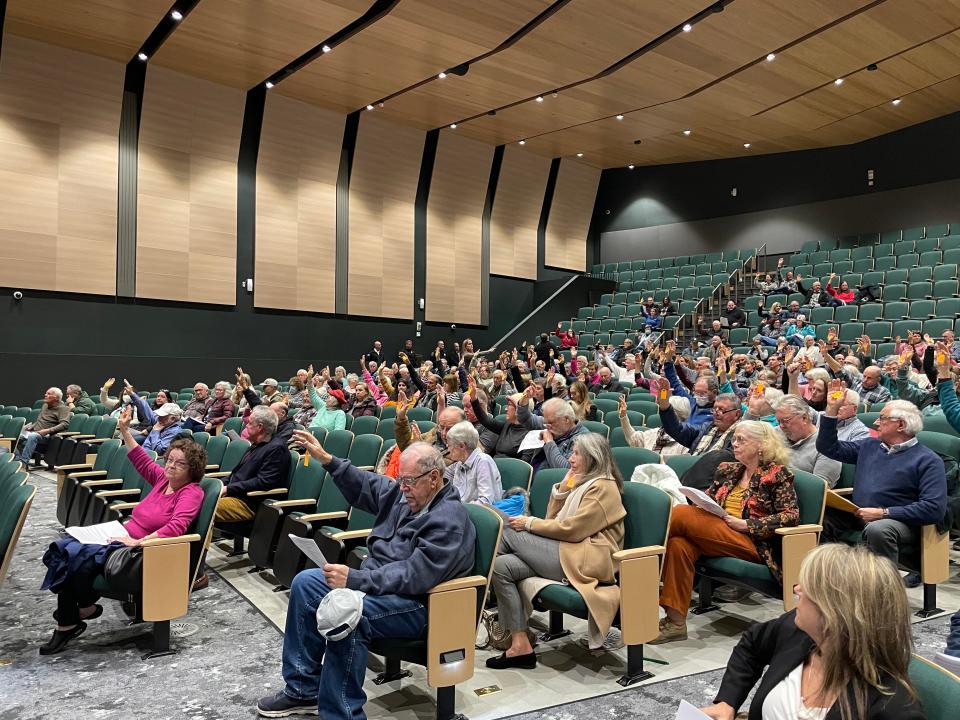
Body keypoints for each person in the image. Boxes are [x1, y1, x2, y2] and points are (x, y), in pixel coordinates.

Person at [256, 435, 475, 719]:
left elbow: (414, 576)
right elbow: (365, 485)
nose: (402, 488)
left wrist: (356, 581)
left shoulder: (449, 520)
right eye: (400, 480)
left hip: (421, 605)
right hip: (381, 590)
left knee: (348, 613)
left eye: (409, 481)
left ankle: (342, 714)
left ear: (434, 478)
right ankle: (302, 689)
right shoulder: (404, 495)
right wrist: (328, 460)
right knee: (306, 584)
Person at [39, 406, 205, 655]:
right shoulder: (163, 480)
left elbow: (176, 527)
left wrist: (138, 542)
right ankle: (78, 612)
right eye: (169, 459)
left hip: (142, 552)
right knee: (63, 548)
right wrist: (125, 429)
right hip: (121, 536)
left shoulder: (191, 492)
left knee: (75, 556)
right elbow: (141, 459)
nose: (170, 466)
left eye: (179, 463)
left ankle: (71, 619)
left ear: (193, 469)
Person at [699, 543, 923, 720]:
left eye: (808, 586)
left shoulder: (892, 709)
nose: (797, 589)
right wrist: (727, 702)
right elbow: (751, 646)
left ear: (834, 611)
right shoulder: (797, 631)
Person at [487, 433, 626, 667]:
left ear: (593, 458)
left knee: (508, 531)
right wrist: (564, 488)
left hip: (585, 559)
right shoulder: (583, 482)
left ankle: (487, 609)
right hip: (566, 551)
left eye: (576, 454)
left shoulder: (604, 487)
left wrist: (529, 523)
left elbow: (572, 529)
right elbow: (553, 519)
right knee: (501, 567)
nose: (569, 459)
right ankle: (520, 643)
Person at [653, 421, 799, 643]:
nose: (735, 444)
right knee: (679, 545)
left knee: (681, 512)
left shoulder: (777, 474)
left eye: (741, 440)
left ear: (761, 445)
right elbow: (711, 499)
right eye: (735, 439)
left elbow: (790, 516)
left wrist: (746, 525)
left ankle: (636, 556)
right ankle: (675, 622)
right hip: (719, 531)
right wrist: (704, 504)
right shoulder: (728, 469)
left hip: (752, 541)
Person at [816, 383, 947, 567]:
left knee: (879, 529)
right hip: (859, 512)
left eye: (882, 418)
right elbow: (828, 447)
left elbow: (934, 508)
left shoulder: (928, 460)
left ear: (901, 424)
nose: (876, 422)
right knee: (819, 515)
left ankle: (883, 590)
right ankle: (831, 578)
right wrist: (831, 410)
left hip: (899, 521)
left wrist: (884, 513)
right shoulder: (869, 446)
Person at [657, 379, 742, 455]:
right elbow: (678, 430)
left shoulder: (740, 439)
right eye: (714, 409)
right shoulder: (706, 428)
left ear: (736, 414)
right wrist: (664, 403)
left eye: (721, 409)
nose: (716, 413)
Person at [774, 395, 841, 486]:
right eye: (778, 421)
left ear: (804, 418)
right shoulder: (776, 433)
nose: (781, 426)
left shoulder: (827, 447)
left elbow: (819, 490)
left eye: (785, 420)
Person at [517, 395, 591, 469]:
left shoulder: (582, 439)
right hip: (533, 473)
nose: (547, 427)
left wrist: (549, 442)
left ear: (566, 419)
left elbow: (567, 469)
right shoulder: (550, 424)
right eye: (546, 423)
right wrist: (524, 398)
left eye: (551, 422)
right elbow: (526, 419)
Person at [443, 421, 503, 504]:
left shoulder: (483, 462)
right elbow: (442, 474)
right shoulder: (460, 463)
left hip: (479, 514)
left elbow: (486, 501)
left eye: (449, 445)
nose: (448, 450)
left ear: (461, 446)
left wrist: (459, 508)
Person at [619, 393, 691, 457]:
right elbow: (633, 439)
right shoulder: (655, 433)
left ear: (676, 414)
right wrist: (623, 417)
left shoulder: (685, 442)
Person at [14, 387, 70, 465]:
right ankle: (17, 461)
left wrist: (47, 430)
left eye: (48, 394)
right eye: (46, 393)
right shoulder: (45, 405)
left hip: (48, 436)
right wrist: (31, 427)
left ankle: (23, 464)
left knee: (33, 436)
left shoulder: (63, 409)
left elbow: (65, 424)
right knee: (15, 437)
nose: (45, 395)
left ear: (56, 398)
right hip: (35, 432)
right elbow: (40, 420)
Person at [128, 386, 184, 456]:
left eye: (162, 416)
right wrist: (132, 394)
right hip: (145, 456)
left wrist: (155, 431)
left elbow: (159, 451)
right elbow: (147, 411)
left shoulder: (175, 432)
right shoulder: (162, 423)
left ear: (172, 419)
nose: (159, 418)